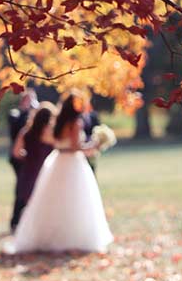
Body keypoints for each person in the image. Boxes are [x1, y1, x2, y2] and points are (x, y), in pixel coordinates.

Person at [9, 92, 113, 253]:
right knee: (75, 199)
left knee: (54, 198)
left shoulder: (58, 121)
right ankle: (71, 238)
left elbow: (56, 142)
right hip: (72, 162)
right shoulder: (75, 122)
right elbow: (74, 147)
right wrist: (94, 145)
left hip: (57, 160)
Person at [11, 102, 56, 226]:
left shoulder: (26, 132)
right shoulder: (49, 133)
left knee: (27, 202)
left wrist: (26, 155)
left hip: (28, 171)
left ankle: (22, 225)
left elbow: (16, 152)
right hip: (45, 172)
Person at [8, 88, 38, 230]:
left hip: (32, 159)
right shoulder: (16, 115)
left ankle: (25, 219)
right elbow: (16, 131)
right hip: (19, 159)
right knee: (21, 188)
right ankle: (15, 220)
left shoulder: (36, 115)